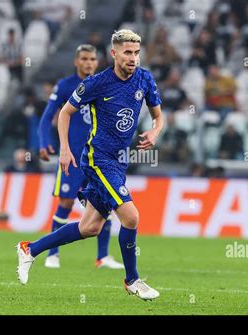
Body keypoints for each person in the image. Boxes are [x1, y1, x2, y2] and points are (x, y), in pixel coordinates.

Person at [17, 29, 164, 300]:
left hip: (120, 162)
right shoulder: (97, 83)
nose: (133, 58)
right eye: (128, 53)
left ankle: (30, 249)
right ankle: (132, 280)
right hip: (98, 159)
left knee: (90, 227)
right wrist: (64, 149)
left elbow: (158, 116)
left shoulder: (145, 78)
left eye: (136, 53)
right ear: (114, 54)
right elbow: (65, 112)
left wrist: (154, 132)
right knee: (131, 216)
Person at [37, 44, 124, 270]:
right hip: (73, 157)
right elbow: (47, 118)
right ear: (76, 61)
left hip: (98, 158)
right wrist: (44, 142)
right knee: (65, 202)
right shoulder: (65, 86)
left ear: (97, 62)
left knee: (105, 203)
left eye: (92, 59)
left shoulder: (104, 84)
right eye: (84, 58)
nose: (88, 63)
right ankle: (52, 254)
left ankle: (102, 256)